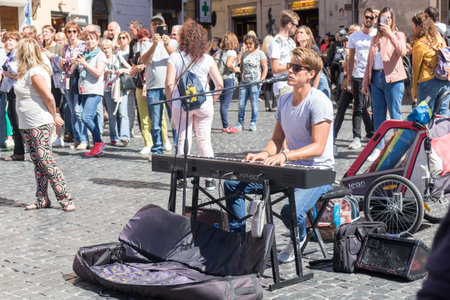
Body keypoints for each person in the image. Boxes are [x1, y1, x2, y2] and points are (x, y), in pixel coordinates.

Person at [224, 47, 334, 263]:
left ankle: (299, 237)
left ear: (310, 74)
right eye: (289, 66)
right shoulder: (284, 100)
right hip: (291, 167)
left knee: (289, 211)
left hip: (318, 171)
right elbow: (276, 140)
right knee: (232, 184)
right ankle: (238, 244)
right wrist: (263, 154)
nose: (289, 71)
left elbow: (318, 147)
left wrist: (285, 156)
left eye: (295, 67)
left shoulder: (318, 101)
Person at [13, 38, 75, 211]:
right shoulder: (25, 71)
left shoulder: (34, 72)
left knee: (46, 161)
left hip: (38, 122)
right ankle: (42, 198)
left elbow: (48, 97)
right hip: (27, 123)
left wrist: (54, 115)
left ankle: (65, 198)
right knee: (38, 163)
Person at [165, 18, 223, 191]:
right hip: (203, 103)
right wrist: (212, 100)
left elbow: (168, 84)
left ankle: (182, 179)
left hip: (181, 103)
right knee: (204, 139)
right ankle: (209, 179)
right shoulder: (207, 59)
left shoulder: (174, 57)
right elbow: (219, 84)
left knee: (183, 139)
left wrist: (171, 103)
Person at [362, 7, 407, 162]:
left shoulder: (398, 35)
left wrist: (390, 35)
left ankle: (399, 148)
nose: (385, 21)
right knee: (378, 116)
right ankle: (379, 148)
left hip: (393, 79)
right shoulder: (375, 38)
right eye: (382, 18)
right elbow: (369, 61)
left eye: (388, 18)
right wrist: (365, 82)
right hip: (376, 79)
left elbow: (402, 52)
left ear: (392, 20)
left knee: (395, 114)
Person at [141, 14, 177, 156]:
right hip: (153, 87)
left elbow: (178, 58)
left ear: (165, 27)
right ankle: (156, 150)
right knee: (155, 122)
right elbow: (144, 61)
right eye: (154, 24)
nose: (157, 26)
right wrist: (154, 45)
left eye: (159, 24)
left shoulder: (172, 43)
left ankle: (178, 150)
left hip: (170, 86)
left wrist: (166, 45)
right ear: (151, 27)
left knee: (174, 120)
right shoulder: (146, 44)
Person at [73, 31, 107, 157]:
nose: (89, 41)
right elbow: (74, 71)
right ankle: (97, 144)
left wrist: (85, 64)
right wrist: (75, 64)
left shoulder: (100, 55)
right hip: (84, 90)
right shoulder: (85, 55)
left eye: (92, 39)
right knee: (90, 118)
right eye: (87, 39)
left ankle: (99, 142)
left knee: (85, 117)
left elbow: (98, 73)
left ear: (98, 40)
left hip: (94, 90)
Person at [346, 8, 376, 151]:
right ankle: (356, 137)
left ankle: (375, 134)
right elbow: (350, 58)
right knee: (358, 107)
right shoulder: (354, 36)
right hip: (358, 74)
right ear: (363, 18)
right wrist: (349, 78)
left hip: (375, 73)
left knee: (376, 106)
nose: (369, 19)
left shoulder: (378, 35)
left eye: (372, 17)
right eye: (367, 17)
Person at [411, 12, 450, 116]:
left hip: (428, 83)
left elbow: (416, 70)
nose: (413, 29)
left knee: (425, 116)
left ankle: (427, 133)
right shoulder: (440, 39)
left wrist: (414, 92)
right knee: (443, 116)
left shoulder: (419, 44)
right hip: (445, 81)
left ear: (419, 26)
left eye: (414, 26)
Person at [59, 21, 89, 150]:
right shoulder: (65, 47)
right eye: (69, 31)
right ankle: (76, 138)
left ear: (78, 32)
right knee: (72, 111)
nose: (71, 34)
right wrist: (61, 62)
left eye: (74, 31)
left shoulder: (82, 45)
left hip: (78, 79)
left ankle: (84, 139)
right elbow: (62, 66)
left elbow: (84, 61)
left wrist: (75, 62)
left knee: (78, 111)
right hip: (67, 79)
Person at [101, 38, 131, 146]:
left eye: (108, 48)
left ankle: (125, 137)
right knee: (112, 114)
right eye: (104, 48)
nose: (106, 50)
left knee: (123, 113)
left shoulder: (118, 57)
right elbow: (100, 76)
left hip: (119, 88)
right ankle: (114, 137)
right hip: (108, 89)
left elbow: (130, 69)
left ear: (112, 48)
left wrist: (122, 70)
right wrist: (106, 73)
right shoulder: (101, 60)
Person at [236, 34, 268, 131]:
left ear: (255, 43)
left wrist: (262, 80)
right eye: (246, 43)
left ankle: (253, 122)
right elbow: (238, 64)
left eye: (250, 43)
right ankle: (240, 123)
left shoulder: (260, 53)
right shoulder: (245, 53)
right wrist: (240, 54)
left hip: (255, 82)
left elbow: (265, 67)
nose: (248, 45)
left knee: (254, 104)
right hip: (244, 82)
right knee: (241, 104)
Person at [2, 31, 25, 161]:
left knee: (18, 123)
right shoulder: (10, 55)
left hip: (17, 90)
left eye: (11, 40)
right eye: (6, 40)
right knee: (15, 123)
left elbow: (23, 71)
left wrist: (10, 75)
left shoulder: (18, 55)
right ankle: (19, 152)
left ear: (17, 42)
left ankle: (22, 152)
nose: (8, 42)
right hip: (11, 91)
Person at [268, 10, 298, 109]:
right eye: (296, 25)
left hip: (294, 84)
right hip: (283, 85)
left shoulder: (291, 41)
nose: (296, 28)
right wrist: (292, 65)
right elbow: (275, 68)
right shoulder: (276, 42)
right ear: (289, 24)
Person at [41, 25, 64, 148]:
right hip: (43, 80)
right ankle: (50, 134)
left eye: (46, 32)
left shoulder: (58, 47)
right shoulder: (40, 47)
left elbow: (61, 64)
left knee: (56, 108)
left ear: (52, 33)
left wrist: (50, 56)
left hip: (54, 81)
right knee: (45, 108)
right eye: (43, 32)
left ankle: (59, 136)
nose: (44, 34)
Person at [294, 26, 330, 97]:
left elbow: (319, 68)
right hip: (306, 81)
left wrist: (314, 88)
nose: (298, 34)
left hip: (318, 81)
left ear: (308, 36)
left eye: (301, 32)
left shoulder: (313, 48)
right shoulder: (297, 50)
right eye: (297, 32)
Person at [214, 32, 239, 133]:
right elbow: (229, 64)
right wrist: (235, 69)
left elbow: (211, 60)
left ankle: (225, 125)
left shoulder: (220, 51)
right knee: (225, 104)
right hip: (228, 79)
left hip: (218, 78)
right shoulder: (232, 52)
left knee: (219, 103)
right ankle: (226, 126)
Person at [260, 35, 275, 111]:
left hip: (266, 71)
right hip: (273, 70)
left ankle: (267, 105)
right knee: (274, 87)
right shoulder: (273, 49)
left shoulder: (263, 51)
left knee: (267, 88)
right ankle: (274, 105)